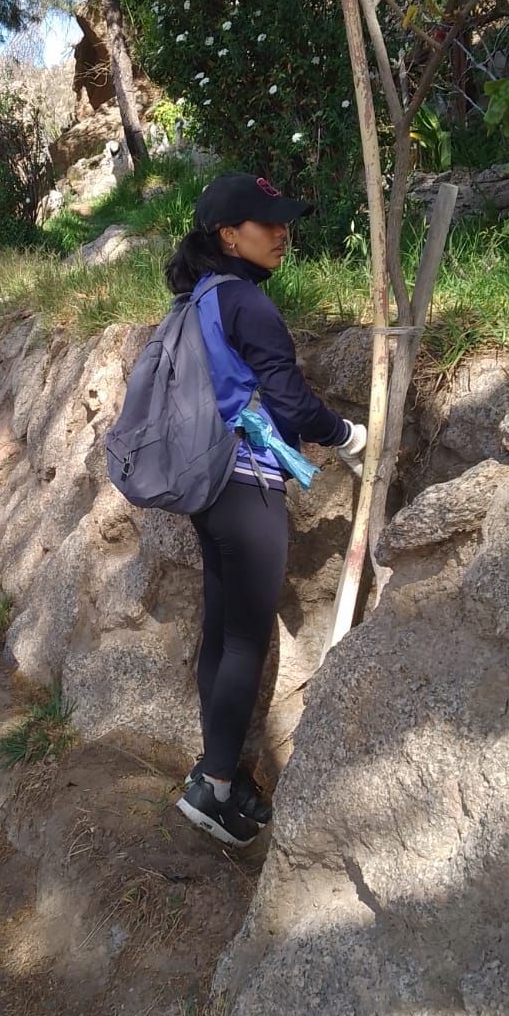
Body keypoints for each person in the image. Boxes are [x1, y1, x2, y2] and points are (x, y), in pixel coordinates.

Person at [171, 172, 366, 848]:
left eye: (284, 221)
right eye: (267, 222)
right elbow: (291, 404)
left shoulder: (201, 296)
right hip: (248, 483)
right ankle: (217, 789)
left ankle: (212, 770)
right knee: (245, 641)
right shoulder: (248, 304)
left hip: (208, 483)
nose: (282, 233)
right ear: (230, 235)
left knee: (221, 632)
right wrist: (349, 436)